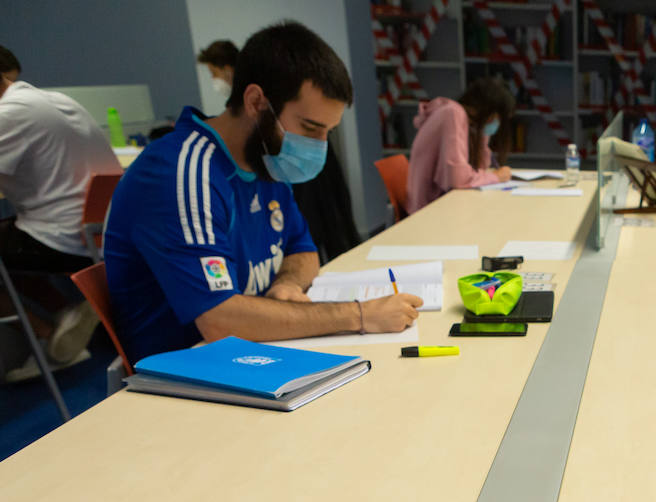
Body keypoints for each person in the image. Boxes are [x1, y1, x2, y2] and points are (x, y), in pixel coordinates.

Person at [104, 21, 419, 363]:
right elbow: (219, 319)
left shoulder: (267, 161)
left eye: (328, 131)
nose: (319, 146)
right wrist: (359, 315)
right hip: (186, 372)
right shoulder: (182, 173)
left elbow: (304, 251)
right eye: (310, 128)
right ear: (256, 101)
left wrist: (287, 283)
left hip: (255, 352)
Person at [0, 68, 118, 379]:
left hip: (61, 238)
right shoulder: (56, 100)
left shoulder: (8, 114)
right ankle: (64, 316)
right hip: (101, 232)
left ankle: (46, 334)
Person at [406, 76, 515, 212]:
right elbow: (457, 178)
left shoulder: (464, 120)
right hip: (429, 210)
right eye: (497, 117)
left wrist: (481, 134)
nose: (496, 123)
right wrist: (496, 177)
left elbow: (481, 167)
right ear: (487, 111)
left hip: (443, 204)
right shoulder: (453, 114)